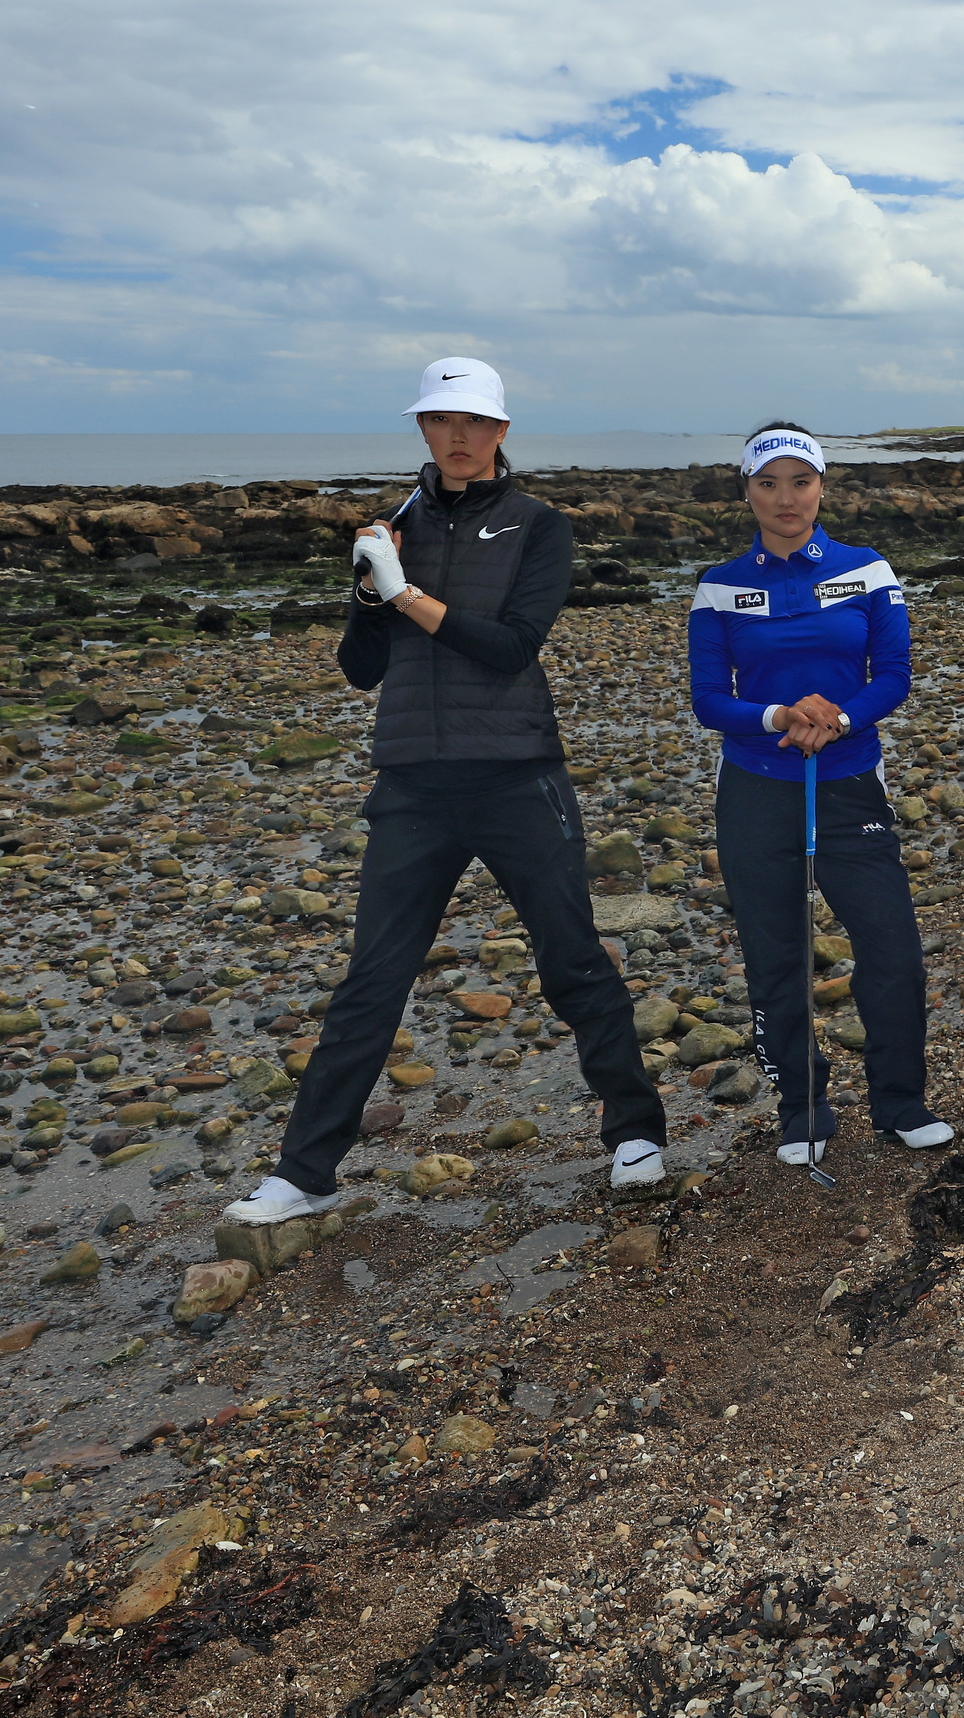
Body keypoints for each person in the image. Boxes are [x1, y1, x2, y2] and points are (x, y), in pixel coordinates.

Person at [227, 357, 664, 1226]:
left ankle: (635, 1132)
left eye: (474, 422)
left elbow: (510, 647)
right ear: (422, 430)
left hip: (515, 772)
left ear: (502, 431)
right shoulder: (390, 525)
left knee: (572, 957)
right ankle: (305, 1173)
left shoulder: (539, 525)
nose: (457, 437)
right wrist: (366, 593)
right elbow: (361, 671)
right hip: (414, 779)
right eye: (440, 421)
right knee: (371, 980)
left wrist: (405, 592)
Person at [690, 423, 952, 1167]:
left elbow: (892, 675)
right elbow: (710, 699)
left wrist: (837, 719)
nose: (785, 498)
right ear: (746, 491)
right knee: (776, 956)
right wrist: (778, 718)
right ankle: (802, 1109)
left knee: (892, 950)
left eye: (799, 482)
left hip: (849, 785)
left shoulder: (866, 570)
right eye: (767, 483)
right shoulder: (719, 584)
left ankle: (901, 1104)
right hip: (756, 786)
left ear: (822, 488)